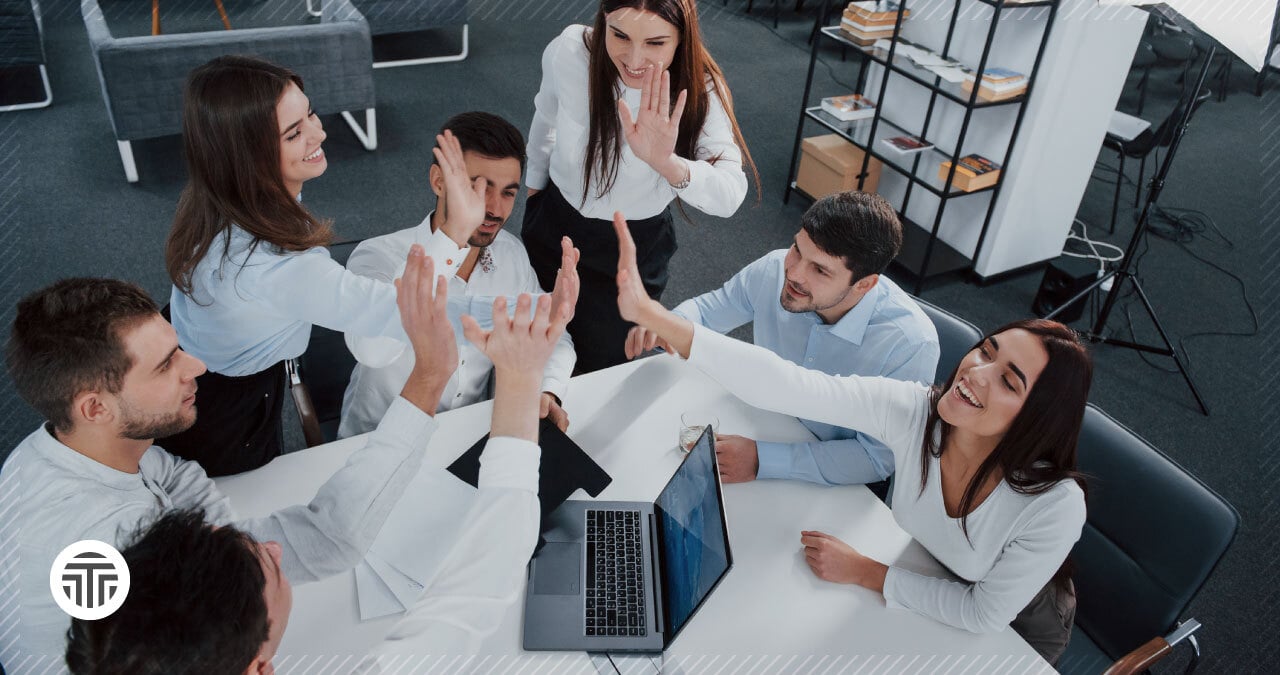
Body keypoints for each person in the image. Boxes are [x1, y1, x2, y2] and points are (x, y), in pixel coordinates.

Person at [1, 242, 579, 661]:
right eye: (165, 364)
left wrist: (430, 376)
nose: (197, 366)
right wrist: (489, 377)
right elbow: (322, 545)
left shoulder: (82, 451)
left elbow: (295, 540)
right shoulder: (119, 553)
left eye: (177, 348)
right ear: (94, 406)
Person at [610, 215, 1090, 664]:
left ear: (1037, 416)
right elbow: (790, 385)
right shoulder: (917, 411)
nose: (977, 373)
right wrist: (659, 317)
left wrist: (868, 572)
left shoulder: (1054, 506)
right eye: (986, 351)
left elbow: (983, 612)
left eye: (1009, 381)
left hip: (1016, 622)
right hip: (924, 566)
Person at [159, 55, 499, 476]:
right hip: (222, 409)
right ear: (248, 155)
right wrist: (455, 235)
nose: (320, 132)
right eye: (294, 133)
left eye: (310, 114)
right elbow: (397, 314)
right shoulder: (271, 267)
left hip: (193, 344)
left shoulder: (223, 190)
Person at [626, 191, 939, 492]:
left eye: (819, 270)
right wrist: (668, 325)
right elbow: (710, 309)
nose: (794, 273)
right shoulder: (775, 268)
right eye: (797, 250)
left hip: (827, 470)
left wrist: (764, 459)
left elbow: (876, 458)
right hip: (762, 421)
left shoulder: (910, 345)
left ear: (864, 285)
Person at [522, 0, 760, 373]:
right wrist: (534, 191)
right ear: (604, 21)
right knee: (532, 347)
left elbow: (730, 194)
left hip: (628, 250)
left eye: (655, 43)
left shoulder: (702, 89)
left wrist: (666, 163)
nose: (634, 58)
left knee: (598, 369)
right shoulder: (570, 49)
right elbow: (546, 114)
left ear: (682, 38)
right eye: (619, 35)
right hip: (554, 224)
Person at [340, 111, 576, 438]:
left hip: (468, 439)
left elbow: (554, 337)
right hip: (377, 442)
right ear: (439, 182)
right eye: (478, 187)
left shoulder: (511, 255)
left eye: (508, 192)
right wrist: (453, 237)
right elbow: (371, 350)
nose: (495, 208)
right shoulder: (377, 257)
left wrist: (546, 391)